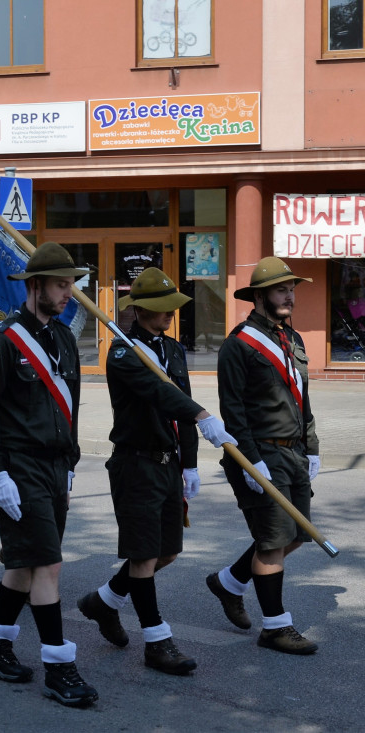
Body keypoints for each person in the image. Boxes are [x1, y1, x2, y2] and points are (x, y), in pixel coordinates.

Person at [75, 268, 234, 675]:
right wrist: (203, 415)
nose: (170, 316)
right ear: (141, 309)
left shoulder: (173, 350)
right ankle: (157, 641)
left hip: (168, 462)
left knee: (166, 553)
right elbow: (162, 394)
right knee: (144, 556)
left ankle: (104, 601)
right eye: (163, 310)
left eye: (172, 309)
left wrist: (193, 463)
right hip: (136, 463)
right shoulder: (124, 352)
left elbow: (182, 400)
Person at [0, 242, 97, 707]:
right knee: (49, 564)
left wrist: (71, 459)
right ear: (35, 286)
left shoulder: (63, 337)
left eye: (71, 284)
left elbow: (71, 406)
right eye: (62, 285)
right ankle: (60, 669)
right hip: (18, 467)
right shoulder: (2, 341)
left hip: (53, 466)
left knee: (23, 564)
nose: (70, 293)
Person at [205, 257, 320, 655]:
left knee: (295, 535)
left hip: (293, 453)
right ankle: (275, 627)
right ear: (258, 296)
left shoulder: (294, 340)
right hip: (261, 454)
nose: (289, 296)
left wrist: (313, 446)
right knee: (272, 543)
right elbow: (232, 410)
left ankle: (230, 582)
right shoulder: (239, 345)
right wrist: (251, 462)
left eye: (291, 289)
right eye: (280, 290)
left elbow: (302, 400)